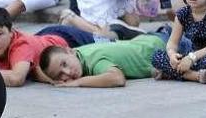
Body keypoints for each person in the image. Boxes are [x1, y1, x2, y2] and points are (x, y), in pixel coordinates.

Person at [0, 7, 78, 87]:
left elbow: (16, 78)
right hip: (40, 38)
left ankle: (71, 19)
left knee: (94, 37)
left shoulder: (21, 45)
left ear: (11, 32)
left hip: (67, 38)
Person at [40, 33, 168, 87]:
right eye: (60, 75)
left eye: (64, 64)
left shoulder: (93, 61)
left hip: (167, 46)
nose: (67, 72)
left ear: (69, 51)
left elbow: (117, 79)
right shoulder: (77, 53)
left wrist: (78, 82)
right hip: (147, 40)